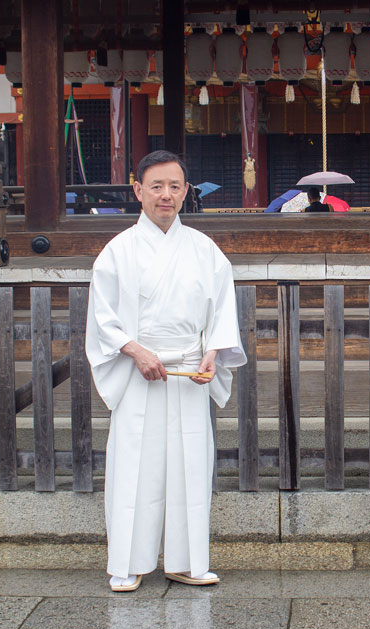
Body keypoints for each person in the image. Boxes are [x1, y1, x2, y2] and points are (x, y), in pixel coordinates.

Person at [85, 149, 247, 592]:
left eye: (175, 186)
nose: (166, 195)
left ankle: (188, 561)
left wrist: (213, 353)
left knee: (191, 468)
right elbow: (102, 317)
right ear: (138, 190)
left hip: (188, 373)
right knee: (134, 467)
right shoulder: (117, 252)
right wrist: (134, 351)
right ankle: (128, 561)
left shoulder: (203, 249)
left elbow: (222, 310)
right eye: (156, 186)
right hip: (139, 372)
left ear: (186, 191)